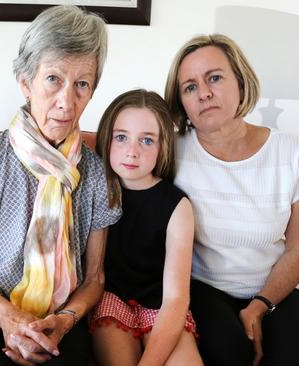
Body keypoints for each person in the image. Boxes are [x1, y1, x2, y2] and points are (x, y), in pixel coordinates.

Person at [0, 5, 121, 365]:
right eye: (53, 79)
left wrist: (65, 320)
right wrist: (10, 320)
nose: (66, 102)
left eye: (82, 85)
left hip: (63, 317)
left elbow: (95, 278)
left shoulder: (99, 176)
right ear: (26, 83)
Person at [164, 34, 299, 366]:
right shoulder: (171, 151)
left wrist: (260, 304)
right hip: (204, 289)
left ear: (240, 81)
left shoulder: (295, 152)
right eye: (190, 87)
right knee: (228, 354)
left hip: (276, 291)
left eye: (214, 78)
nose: (205, 93)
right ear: (182, 102)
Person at [91, 89, 203, 366]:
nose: (132, 151)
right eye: (121, 137)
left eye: (147, 140)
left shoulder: (177, 205)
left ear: (163, 146)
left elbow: (176, 298)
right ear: (106, 139)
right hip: (111, 298)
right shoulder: (95, 192)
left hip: (162, 305)